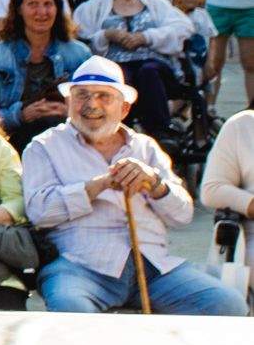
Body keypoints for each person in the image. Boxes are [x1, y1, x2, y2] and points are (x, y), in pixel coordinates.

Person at [22, 58, 245, 316]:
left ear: (124, 108)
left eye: (104, 97)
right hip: (81, 266)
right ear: (68, 103)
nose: (92, 104)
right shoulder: (43, 147)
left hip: (153, 267)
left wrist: (155, 185)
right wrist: (97, 186)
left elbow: (183, 215)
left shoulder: (145, 147)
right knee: (71, 307)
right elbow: (39, 212)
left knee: (228, 304)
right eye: (82, 95)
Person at [70, 0, 192, 130]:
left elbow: (183, 27)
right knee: (119, 78)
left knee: (148, 71)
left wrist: (146, 37)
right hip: (114, 65)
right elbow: (79, 36)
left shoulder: (155, 2)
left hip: (155, 65)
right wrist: (106, 35)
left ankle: (159, 132)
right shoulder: (93, 6)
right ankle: (115, 131)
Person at [0, 0, 94, 148]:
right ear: (19, 9)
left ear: (57, 9)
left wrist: (70, 112)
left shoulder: (79, 54)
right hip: (15, 137)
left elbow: (95, 105)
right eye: (33, 4)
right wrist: (20, 115)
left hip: (70, 136)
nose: (42, 12)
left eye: (48, 4)